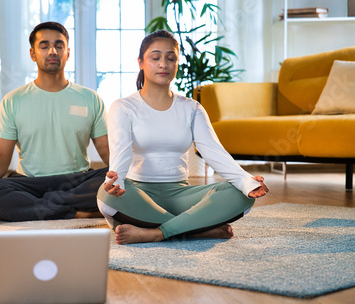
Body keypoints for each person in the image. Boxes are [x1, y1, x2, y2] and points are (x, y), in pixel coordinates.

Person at [97, 30, 269, 245]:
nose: (163, 64)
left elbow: (213, 152)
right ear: (140, 62)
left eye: (171, 58)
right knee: (106, 197)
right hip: (138, 193)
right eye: (155, 57)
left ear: (177, 63)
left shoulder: (192, 108)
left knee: (240, 195)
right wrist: (117, 183)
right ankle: (194, 229)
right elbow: (120, 152)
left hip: (181, 195)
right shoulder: (123, 107)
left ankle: (156, 233)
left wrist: (246, 181)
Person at [0, 21, 109, 222]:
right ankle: (75, 212)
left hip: (77, 182)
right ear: (33, 54)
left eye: (59, 45)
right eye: (44, 45)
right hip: (29, 183)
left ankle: (39, 207)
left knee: (114, 178)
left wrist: (132, 174)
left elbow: (109, 152)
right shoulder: (13, 101)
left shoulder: (90, 98)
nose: (52, 51)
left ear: (67, 53)